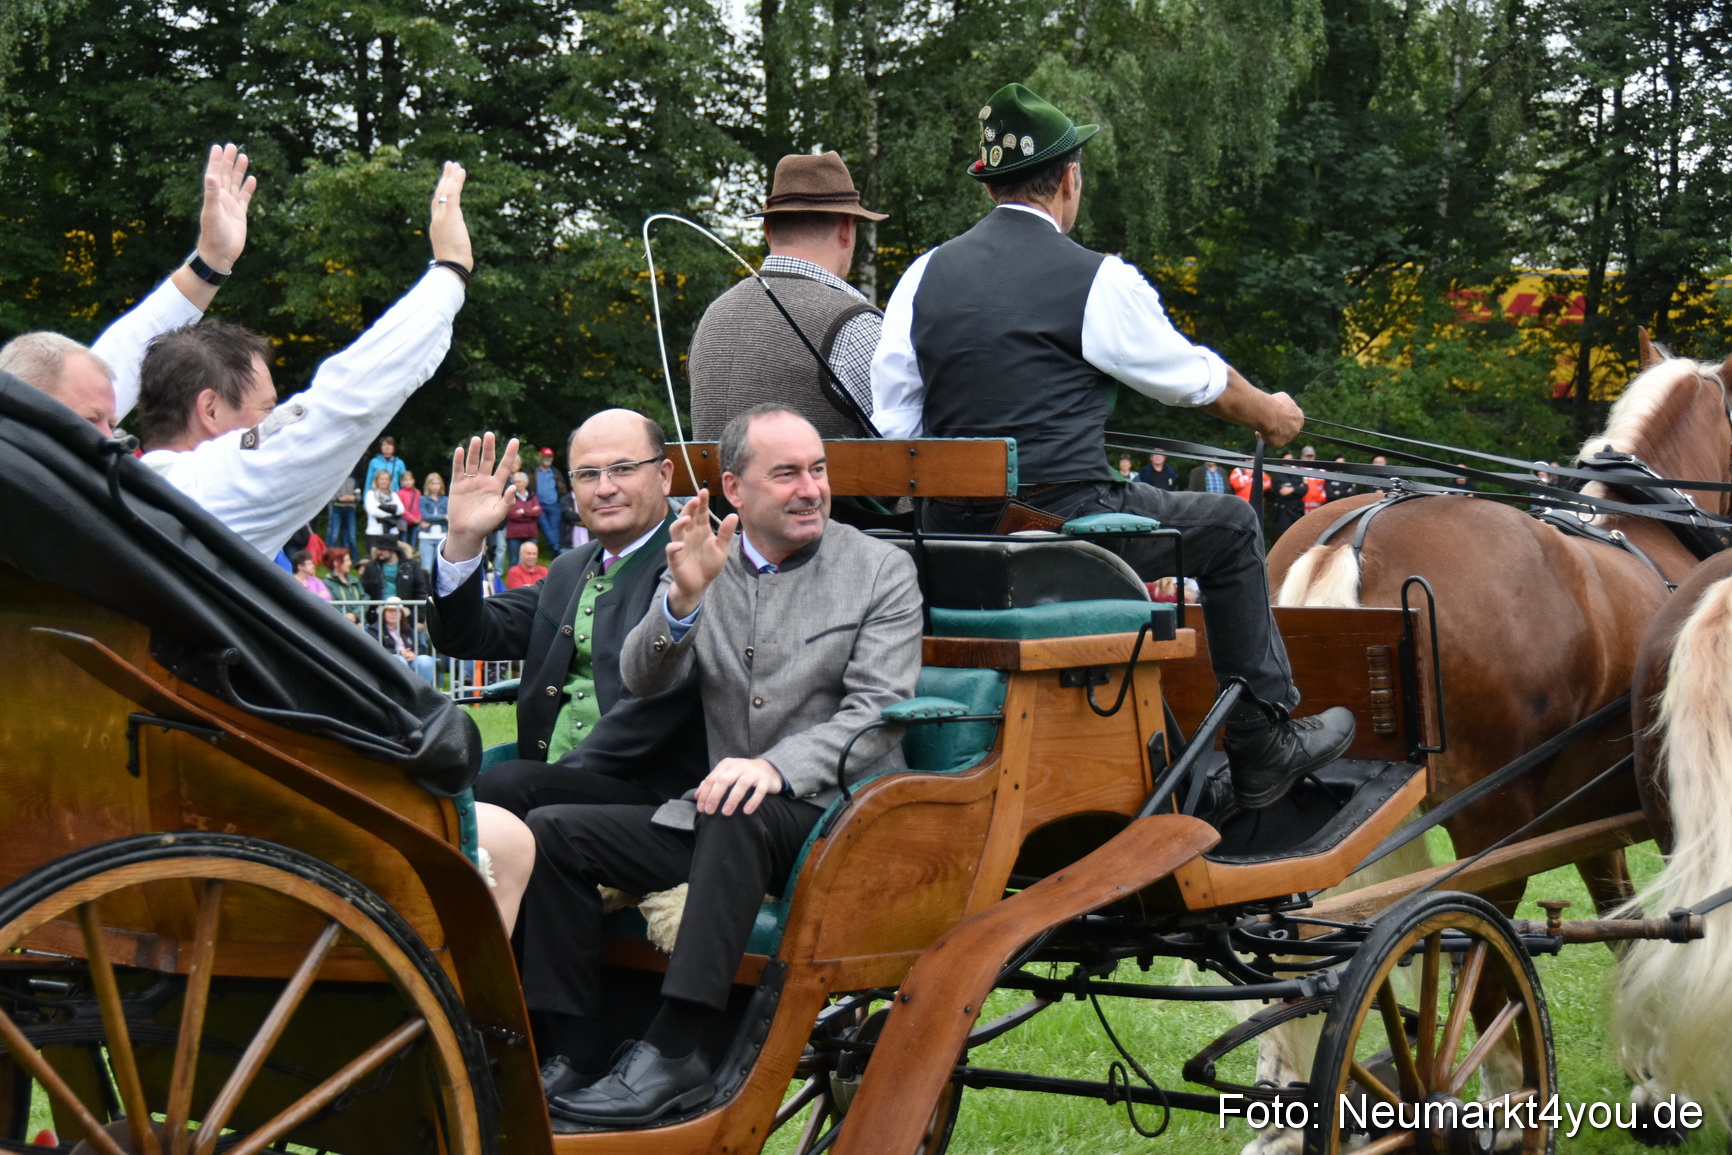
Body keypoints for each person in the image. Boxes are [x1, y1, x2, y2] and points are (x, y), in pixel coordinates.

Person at [870, 82, 1353, 810]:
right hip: (1063, 541)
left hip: (952, 550)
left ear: (988, 185)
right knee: (1230, 526)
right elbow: (1195, 381)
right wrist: (1271, 415)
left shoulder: (921, 277)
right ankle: (1261, 738)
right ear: (1069, 180)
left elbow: (896, 425)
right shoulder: (1096, 279)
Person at [499, 406, 921, 1125]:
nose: (811, 488)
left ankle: (678, 1049)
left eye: (817, 469)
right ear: (734, 487)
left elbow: (879, 710)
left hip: (835, 812)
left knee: (738, 804)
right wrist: (684, 600)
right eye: (786, 473)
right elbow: (643, 677)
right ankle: (573, 1046)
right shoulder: (707, 557)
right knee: (554, 833)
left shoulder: (879, 567)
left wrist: (777, 767)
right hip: (718, 811)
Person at [424, 413, 709, 962]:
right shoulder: (570, 568)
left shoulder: (692, 561)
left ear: (665, 474)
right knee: (450, 789)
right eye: (587, 474)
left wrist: (549, 779)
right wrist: (463, 537)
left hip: (654, 795)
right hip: (555, 788)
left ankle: (480, 979)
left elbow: (654, 708)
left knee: (509, 792)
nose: (605, 488)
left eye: (623, 469)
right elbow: (467, 632)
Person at [126, 163, 472, 558]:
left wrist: (210, 261)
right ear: (209, 408)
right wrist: (451, 269)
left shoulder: (132, 496)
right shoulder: (198, 491)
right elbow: (341, 405)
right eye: (268, 411)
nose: (276, 424)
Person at [0, 145, 254, 437]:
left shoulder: (76, 420)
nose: (108, 441)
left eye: (111, 424)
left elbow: (132, 347)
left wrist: (211, 259)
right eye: (96, 422)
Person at [688, 152, 887, 439]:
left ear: (768, 231)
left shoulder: (713, 316)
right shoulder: (855, 325)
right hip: (821, 486)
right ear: (847, 229)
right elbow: (903, 445)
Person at [379, 597, 436, 684]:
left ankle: (423, 693)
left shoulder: (408, 629)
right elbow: (377, 648)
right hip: (388, 663)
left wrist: (414, 654)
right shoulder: (376, 630)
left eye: (397, 611)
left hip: (411, 661)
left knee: (425, 660)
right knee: (399, 660)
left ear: (402, 615)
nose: (394, 613)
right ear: (384, 614)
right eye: (390, 611)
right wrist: (400, 653)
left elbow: (422, 646)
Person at [533, 447, 569, 555]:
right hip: (539, 505)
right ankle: (556, 548)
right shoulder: (534, 471)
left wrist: (561, 501)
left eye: (550, 457)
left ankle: (555, 551)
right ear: (540, 457)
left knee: (555, 528)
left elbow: (562, 488)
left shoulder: (555, 471)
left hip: (554, 504)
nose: (547, 460)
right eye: (545, 457)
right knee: (545, 527)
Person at [505, 471, 541, 565]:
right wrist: (530, 512)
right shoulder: (510, 496)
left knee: (530, 560)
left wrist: (523, 512)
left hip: (531, 533)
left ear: (526, 483)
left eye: (519, 481)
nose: (516, 484)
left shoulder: (532, 496)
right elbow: (511, 514)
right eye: (515, 482)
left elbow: (538, 512)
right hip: (515, 534)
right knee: (514, 560)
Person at [363, 468, 404, 549]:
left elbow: (401, 510)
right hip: (374, 533)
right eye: (382, 479)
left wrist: (381, 508)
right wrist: (391, 512)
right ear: (377, 481)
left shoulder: (393, 495)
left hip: (392, 533)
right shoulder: (371, 494)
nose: (384, 481)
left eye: (386, 479)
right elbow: (372, 511)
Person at [323, 547, 364, 622]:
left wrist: (355, 614)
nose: (350, 563)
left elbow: (365, 598)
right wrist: (347, 617)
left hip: (359, 624)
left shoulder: (354, 580)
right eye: (347, 560)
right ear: (336, 562)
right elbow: (332, 604)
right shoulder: (327, 583)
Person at [326, 471, 361, 557]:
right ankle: (330, 558)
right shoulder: (336, 481)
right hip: (337, 510)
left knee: (351, 537)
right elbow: (330, 496)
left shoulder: (353, 481)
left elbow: (359, 496)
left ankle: (354, 560)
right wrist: (339, 498)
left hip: (350, 511)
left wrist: (353, 497)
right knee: (334, 536)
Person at [419, 471, 449, 567]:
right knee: (426, 568)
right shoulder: (423, 499)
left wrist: (431, 521)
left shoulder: (446, 500)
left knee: (439, 568)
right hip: (426, 537)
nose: (435, 486)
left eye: (437, 483)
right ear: (428, 485)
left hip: (442, 537)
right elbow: (425, 516)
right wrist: (443, 517)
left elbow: (450, 517)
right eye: (433, 483)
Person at [398, 469, 424, 547]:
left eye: (410, 479)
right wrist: (412, 518)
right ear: (401, 482)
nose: (408, 482)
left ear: (413, 481)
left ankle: (412, 557)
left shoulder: (417, 492)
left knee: (413, 542)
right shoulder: (400, 493)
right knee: (403, 542)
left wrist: (419, 518)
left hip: (416, 521)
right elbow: (401, 509)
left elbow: (421, 506)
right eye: (405, 480)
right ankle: (403, 557)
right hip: (404, 521)